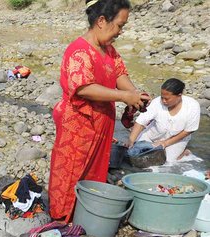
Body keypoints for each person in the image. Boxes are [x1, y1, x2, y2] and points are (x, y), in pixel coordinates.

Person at [48, 0, 150, 221]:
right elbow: (83, 88)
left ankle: (85, 213)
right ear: (102, 21)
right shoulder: (79, 50)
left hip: (101, 121)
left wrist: (134, 94)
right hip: (78, 123)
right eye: (120, 25)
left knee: (95, 167)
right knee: (71, 170)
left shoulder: (108, 50)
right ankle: (61, 215)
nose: (121, 32)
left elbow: (120, 75)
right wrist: (124, 96)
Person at [127, 78, 200, 162]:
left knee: (165, 163)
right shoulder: (157, 102)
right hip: (152, 135)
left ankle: (184, 153)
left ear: (179, 95)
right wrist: (131, 140)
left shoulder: (192, 106)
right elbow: (141, 122)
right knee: (135, 153)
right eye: (162, 97)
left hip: (176, 139)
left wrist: (165, 143)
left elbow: (188, 131)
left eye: (167, 99)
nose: (163, 101)